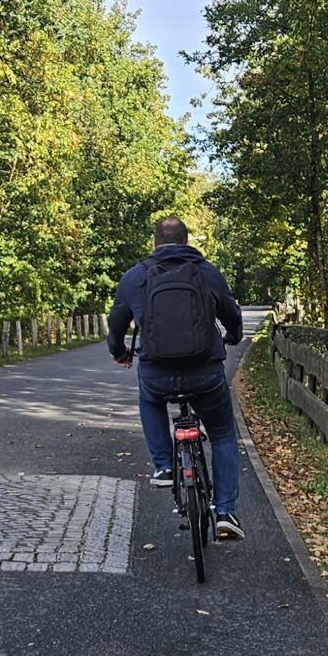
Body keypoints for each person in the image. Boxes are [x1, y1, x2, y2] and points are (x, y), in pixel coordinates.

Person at [109, 218, 246, 541]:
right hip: (205, 374)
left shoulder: (135, 277)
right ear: (186, 242)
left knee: (149, 398)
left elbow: (116, 324)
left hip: (157, 374)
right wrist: (234, 335)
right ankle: (225, 512)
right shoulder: (207, 272)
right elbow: (231, 313)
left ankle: (164, 466)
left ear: (154, 243)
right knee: (223, 434)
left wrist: (120, 352)